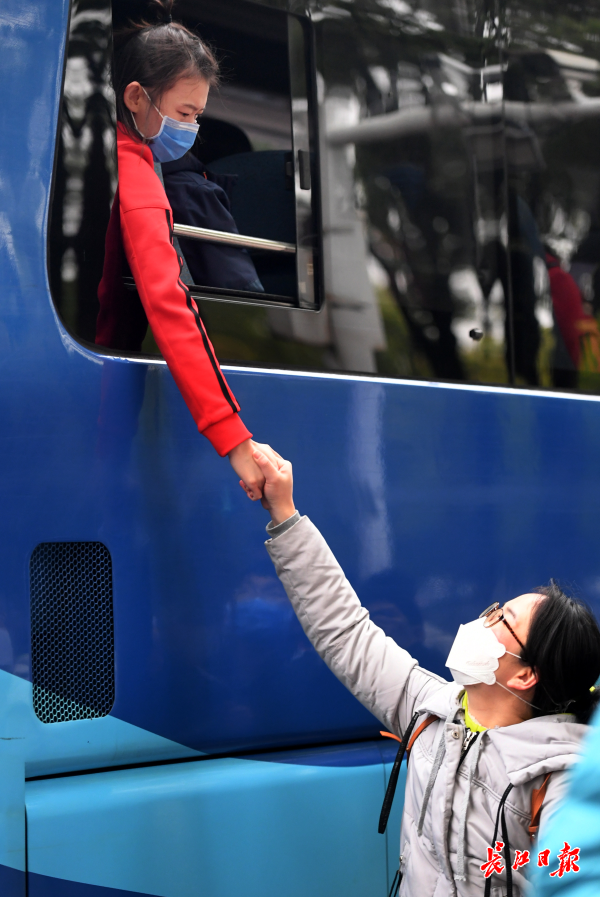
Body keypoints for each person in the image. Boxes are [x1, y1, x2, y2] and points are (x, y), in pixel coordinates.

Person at [248, 447, 600, 897]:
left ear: (525, 676)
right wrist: (285, 513)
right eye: (495, 608)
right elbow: (345, 629)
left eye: (502, 619)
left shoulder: (561, 781)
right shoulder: (429, 712)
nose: (484, 618)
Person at [95, 0, 269, 499]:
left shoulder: (112, 152)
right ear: (135, 96)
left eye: (197, 116)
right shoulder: (136, 171)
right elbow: (168, 301)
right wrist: (234, 438)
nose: (191, 129)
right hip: (103, 402)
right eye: (184, 113)